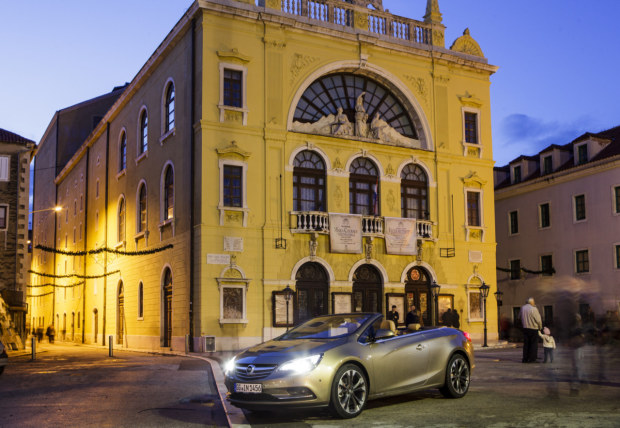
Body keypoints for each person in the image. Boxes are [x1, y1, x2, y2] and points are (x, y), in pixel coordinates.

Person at [520, 297, 543, 363]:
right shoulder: (533, 309)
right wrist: (540, 327)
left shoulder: (522, 308)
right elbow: (538, 320)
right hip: (533, 328)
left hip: (525, 328)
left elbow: (519, 317)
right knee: (533, 344)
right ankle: (532, 359)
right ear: (531, 302)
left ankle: (525, 358)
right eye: (534, 302)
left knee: (526, 344)